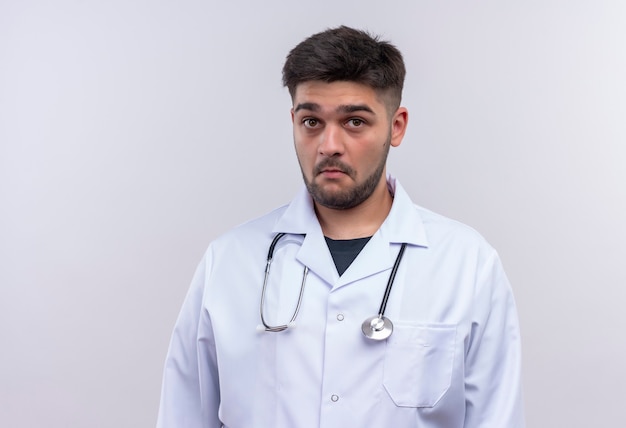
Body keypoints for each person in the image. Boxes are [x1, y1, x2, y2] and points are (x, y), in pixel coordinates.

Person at [157, 26, 524, 428]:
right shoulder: (229, 261)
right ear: (294, 122)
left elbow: (496, 418)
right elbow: (184, 414)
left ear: (396, 126)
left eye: (354, 122)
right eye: (311, 120)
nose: (329, 144)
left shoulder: (466, 265)